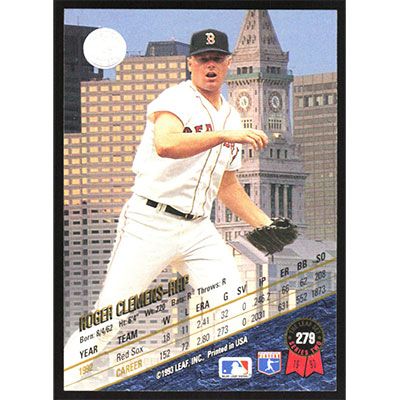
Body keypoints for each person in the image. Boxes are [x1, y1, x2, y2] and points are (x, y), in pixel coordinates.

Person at [64, 29, 274, 371]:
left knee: (235, 306)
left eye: (217, 59)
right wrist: (222, 135)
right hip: (150, 222)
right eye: (203, 59)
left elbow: (227, 186)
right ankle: (63, 381)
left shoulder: (231, 116)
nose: (210, 65)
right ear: (191, 63)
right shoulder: (176, 99)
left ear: (228, 64)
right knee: (109, 317)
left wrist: (267, 226)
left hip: (198, 229)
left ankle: (221, 380)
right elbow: (166, 144)